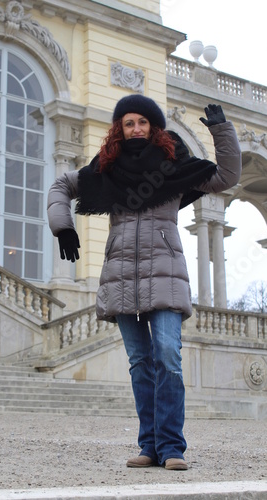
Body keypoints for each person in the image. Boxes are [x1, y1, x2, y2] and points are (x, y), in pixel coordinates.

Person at [47, 95, 242, 470]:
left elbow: (227, 176)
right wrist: (62, 227)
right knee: (140, 363)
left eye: (142, 122)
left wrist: (222, 131)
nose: (136, 128)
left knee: (167, 356)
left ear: (154, 128)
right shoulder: (106, 169)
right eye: (128, 122)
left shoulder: (174, 168)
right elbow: (61, 186)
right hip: (121, 277)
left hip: (165, 275)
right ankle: (149, 445)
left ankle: (172, 447)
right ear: (119, 129)